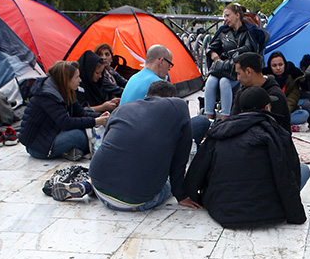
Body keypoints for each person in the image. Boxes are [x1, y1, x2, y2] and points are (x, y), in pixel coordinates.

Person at [52, 81, 209, 208]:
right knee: (165, 182)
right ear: (172, 97)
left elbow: (108, 144)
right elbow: (181, 155)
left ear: (147, 96)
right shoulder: (178, 105)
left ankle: (88, 186)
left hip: (99, 182)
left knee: (122, 160)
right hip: (136, 200)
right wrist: (180, 195)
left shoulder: (122, 109)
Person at [183, 87, 308, 228]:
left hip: (223, 211)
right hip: (270, 213)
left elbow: (198, 170)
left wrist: (193, 195)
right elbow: (289, 175)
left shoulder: (220, 131)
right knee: (304, 169)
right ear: (266, 108)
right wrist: (295, 214)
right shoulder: (277, 133)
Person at [18, 61, 109, 160]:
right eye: (77, 77)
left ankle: (68, 151)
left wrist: (100, 116)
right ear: (66, 79)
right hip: (39, 147)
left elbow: (80, 113)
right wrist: (95, 122)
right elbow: (66, 122)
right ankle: (68, 151)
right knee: (81, 136)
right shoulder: (47, 96)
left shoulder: (65, 91)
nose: (80, 80)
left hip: (53, 135)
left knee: (87, 131)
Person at [204, 2, 261, 119]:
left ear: (237, 15)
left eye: (227, 15)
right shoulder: (224, 32)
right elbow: (211, 48)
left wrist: (231, 55)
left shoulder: (248, 32)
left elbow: (249, 49)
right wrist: (214, 55)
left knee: (224, 82)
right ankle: (207, 118)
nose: (225, 19)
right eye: (224, 16)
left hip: (238, 70)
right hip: (224, 67)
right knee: (211, 81)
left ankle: (225, 118)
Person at [231, 52, 292, 132]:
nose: (238, 78)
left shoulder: (275, 95)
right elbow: (233, 121)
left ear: (248, 71)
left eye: (239, 73)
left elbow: (270, 130)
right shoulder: (242, 93)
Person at [265, 51, 309, 126]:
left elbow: (292, 99)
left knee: (304, 114)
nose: (278, 68)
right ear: (270, 66)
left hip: (287, 113)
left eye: (280, 64)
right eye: (274, 65)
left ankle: (276, 123)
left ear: (285, 64)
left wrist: (284, 113)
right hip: (270, 113)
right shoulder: (265, 80)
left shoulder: (292, 79)